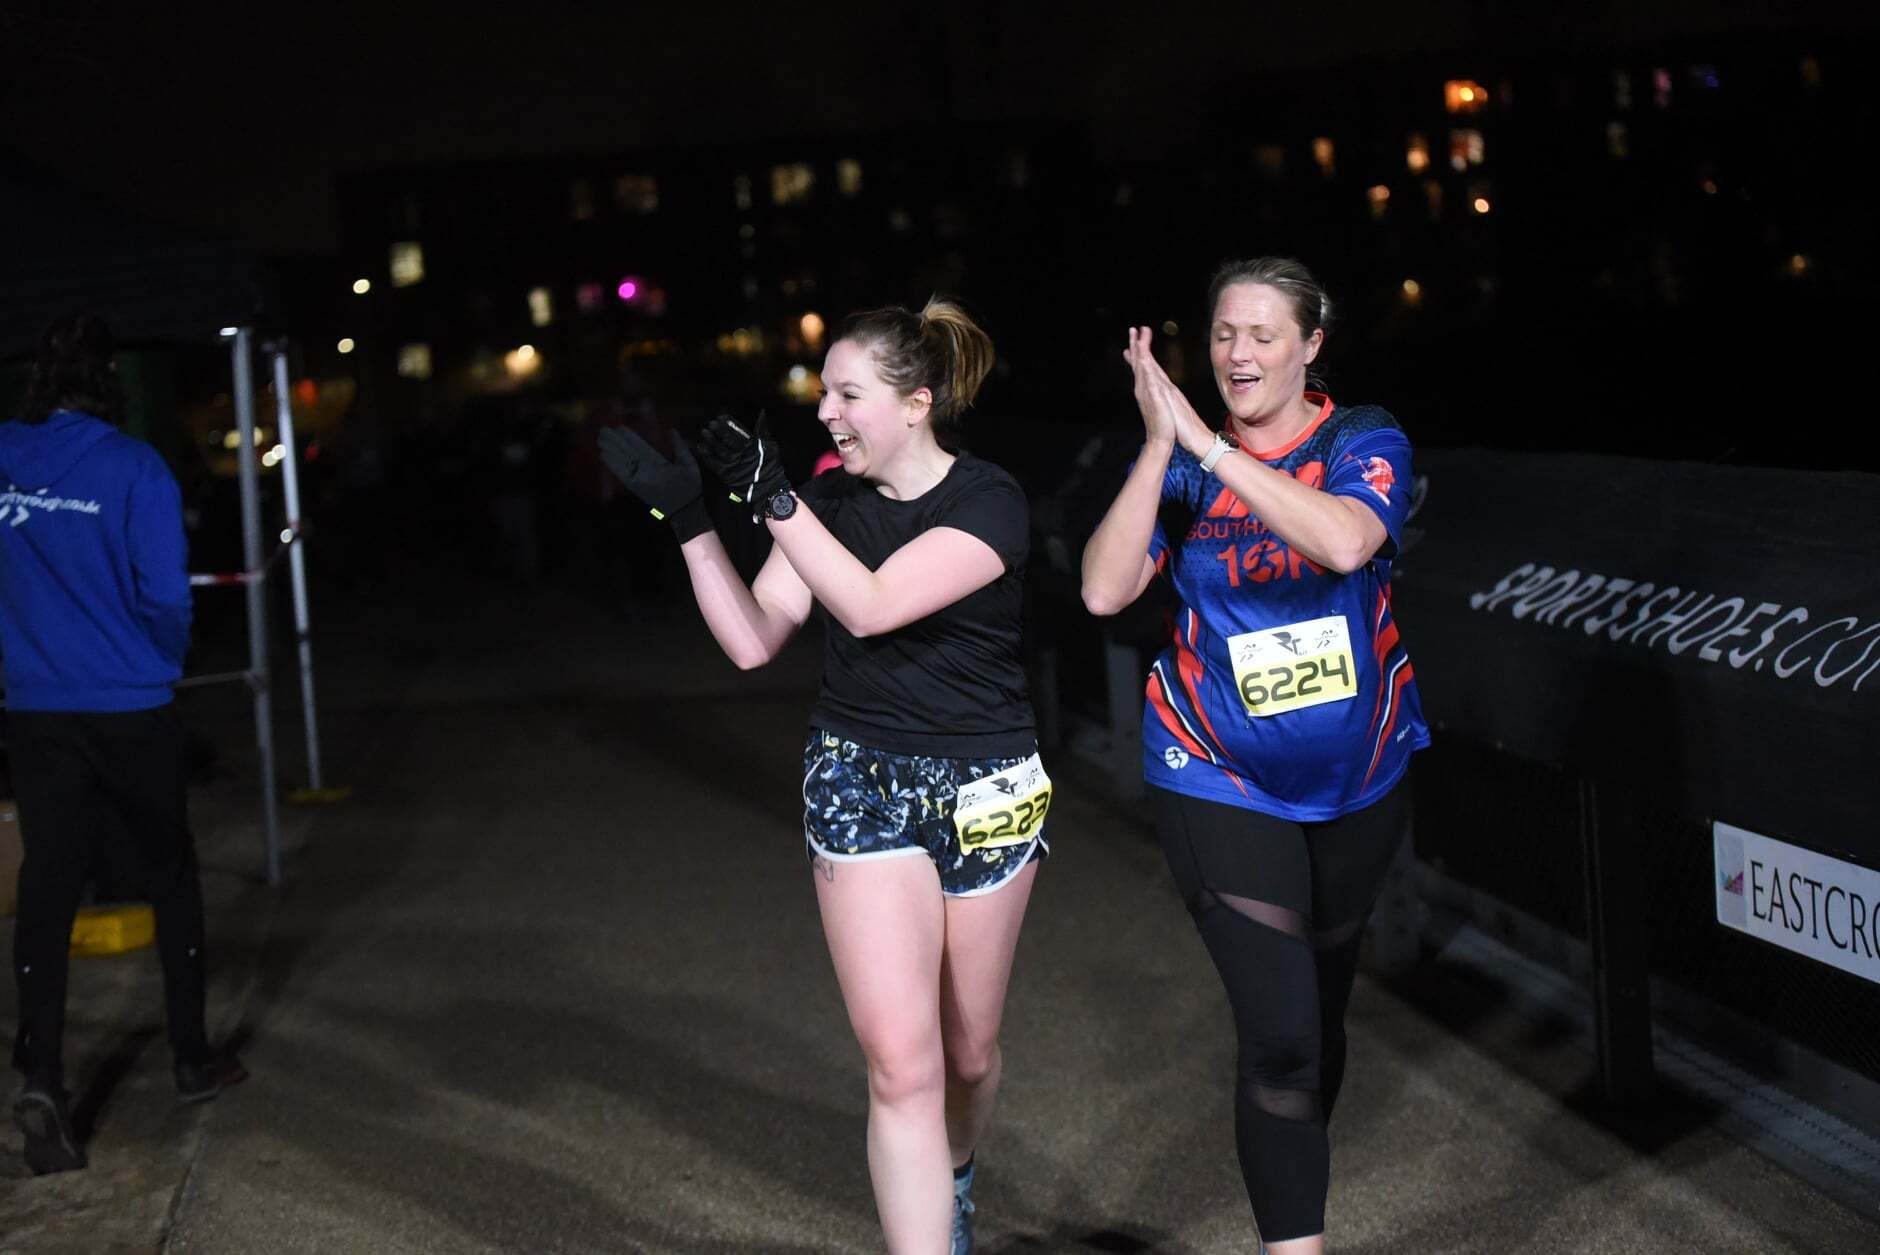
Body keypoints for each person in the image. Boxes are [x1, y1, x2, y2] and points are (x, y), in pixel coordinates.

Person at [598, 298, 1045, 1255]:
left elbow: (876, 604)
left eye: (849, 393)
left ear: (917, 402)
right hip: (859, 778)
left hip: (986, 785)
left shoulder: (989, 500)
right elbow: (757, 640)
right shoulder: (823, 499)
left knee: (968, 1055)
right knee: (901, 1065)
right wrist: (689, 522)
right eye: (822, 393)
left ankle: (954, 1174)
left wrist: (774, 502)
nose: (827, 412)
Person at [1080, 258, 1428, 1253]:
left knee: (1313, 1028)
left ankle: (1292, 1187)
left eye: (1262, 335)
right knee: (1277, 1035)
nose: (1236, 353)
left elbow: (1346, 544)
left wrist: (1214, 452)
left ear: (1311, 345)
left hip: (1358, 774)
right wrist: (1160, 448)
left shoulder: (1361, 438)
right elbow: (1104, 590)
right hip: (1213, 767)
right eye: (1222, 333)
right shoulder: (1183, 465)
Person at [0, 313, 246, 1176]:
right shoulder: (135, 466)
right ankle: (189, 1057)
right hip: (132, 704)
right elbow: (166, 594)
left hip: (35, 708)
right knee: (168, 869)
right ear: (109, 384)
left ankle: (43, 1073)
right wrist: (160, 660)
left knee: (50, 882)